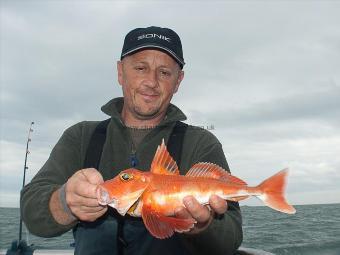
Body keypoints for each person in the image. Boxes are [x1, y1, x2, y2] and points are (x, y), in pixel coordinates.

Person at [21, 26, 243, 255]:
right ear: (120, 72)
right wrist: (65, 203)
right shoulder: (80, 137)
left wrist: (203, 227)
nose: (151, 82)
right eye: (140, 68)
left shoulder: (201, 143)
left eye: (165, 72)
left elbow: (232, 236)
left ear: (178, 81)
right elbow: (32, 213)